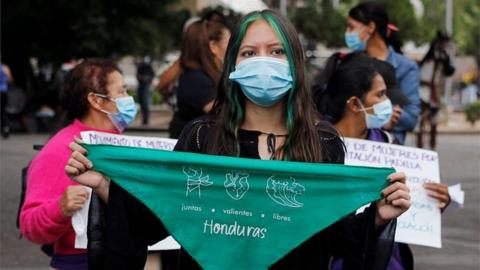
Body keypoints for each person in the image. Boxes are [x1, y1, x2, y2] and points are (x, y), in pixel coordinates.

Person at [65, 10, 410, 269]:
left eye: (276, 52)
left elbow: (331, 235)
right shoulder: (202, 136)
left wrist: (378, 215)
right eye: (248, 53)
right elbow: (165, 215)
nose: (263, 62)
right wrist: (107, 185)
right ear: (232, 65)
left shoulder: (323, 142)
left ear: (295, 62)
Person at [317, 54, 450, 270]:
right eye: (380, 95)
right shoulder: (317, 144)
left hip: (387, 259)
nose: (388, 104)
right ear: (354, 103)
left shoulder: (388, 142)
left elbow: (405, 196)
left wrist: (432, 201)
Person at [20, 59, 137, 270]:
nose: (129, 99)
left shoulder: (124, 143)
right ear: (96, 100)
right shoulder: (59, 150)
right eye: (121, 91)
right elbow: (29, 224)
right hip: (80, 262)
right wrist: (60, 208)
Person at [345, 2, 420, 144]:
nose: (348, 33)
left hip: (388, 152)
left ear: (371, 28)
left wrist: (382, 114)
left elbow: (411, 119)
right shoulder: (349, 63)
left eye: (351, 27)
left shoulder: (406, 67)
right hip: (353, 149)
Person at [168, 20, 231, 138]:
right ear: (213, 46)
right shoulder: (195, 79)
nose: (233, 48)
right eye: (229, 42)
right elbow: (223, 112)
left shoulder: (201, 76)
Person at [136, 57, 156, 125]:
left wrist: (147, 79)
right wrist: (141, 78)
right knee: (142, 103)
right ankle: (144, 119)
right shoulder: (141, 67)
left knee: (145, 103)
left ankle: (146, 119)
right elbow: (137, 75)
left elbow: (152, 75)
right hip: (141, 86)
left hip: (146, 86)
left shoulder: (149, 67)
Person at [0, 63, 13, 138]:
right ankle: (5, 128)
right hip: (3, 92)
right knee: (3, 111)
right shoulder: (5, 68)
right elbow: (10, 79)